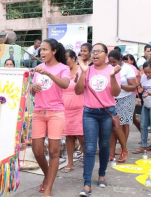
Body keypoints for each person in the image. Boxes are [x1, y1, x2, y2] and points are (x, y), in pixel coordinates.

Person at [75, 43, 121, 197]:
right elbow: (78, 91)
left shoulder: (112, 70)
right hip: (89, 113)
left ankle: (102, 174)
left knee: (104, 144)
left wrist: (113, 76)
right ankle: (87, 184)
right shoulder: (87, 70)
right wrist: (83, 72)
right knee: (89, 148)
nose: (95, 54)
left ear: (106, 54)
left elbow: (115, 92)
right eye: (93, 51)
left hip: (107, 112)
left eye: (98, 51)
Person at [31, 38, 70, 196]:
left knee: (54, 152)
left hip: (56, 113)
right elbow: (33, 92)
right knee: (37, 151)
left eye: (45, 49)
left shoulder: (63, 68)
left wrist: (48, 73)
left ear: (54, 51)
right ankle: (48, 176)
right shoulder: (38, 67)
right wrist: (33, 88)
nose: (42, 52)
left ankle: (49, 187)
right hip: (39, 112)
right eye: (41, 50)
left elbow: (65, 84)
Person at [108, 50, 136, 163]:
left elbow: (133, 86)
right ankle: (111, 153)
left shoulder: (128, 69)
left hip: (125, 99)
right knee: (112, 128)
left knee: (120, 126)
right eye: (110, 62)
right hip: (112, 99)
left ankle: (124, 150)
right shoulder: (109, 68)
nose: (112, 64)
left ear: (120, 59)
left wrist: (120, 86)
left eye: (114, 62)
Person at [61, 49, 84, 173]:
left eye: (66, 59)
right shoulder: (63, 71)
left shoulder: (82, 70)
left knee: (81, 136)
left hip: (80, 108)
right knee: (69, 136)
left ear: (74, 58)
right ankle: (70, 163)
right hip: (65, 109)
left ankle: (86, 158)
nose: (64, 61)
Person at [133, 61, 151, 154]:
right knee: (143, 125)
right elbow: (142, 89)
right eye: (146, 72)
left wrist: (149, 93)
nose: (147, 74)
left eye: (149, 72)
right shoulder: (144, 77)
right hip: (146, 104)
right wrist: (140, 90)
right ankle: (143, 145)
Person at [123, 54, 141, 132]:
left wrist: (124, 85)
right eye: (125, 61)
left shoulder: (133, 68)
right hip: (123, 96)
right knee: (129, 119)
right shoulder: (122, 68)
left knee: (127, 119)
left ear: (132, 61)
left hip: (131, 95)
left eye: (128, 61)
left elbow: (137, 83)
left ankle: (144, 135)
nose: (126, 62)